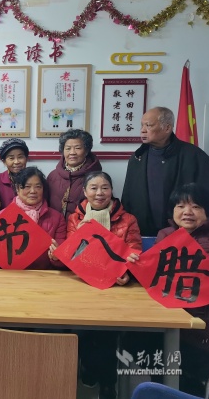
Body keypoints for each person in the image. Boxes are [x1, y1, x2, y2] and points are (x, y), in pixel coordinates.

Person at [60, 171, 141, 399]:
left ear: (112, 191)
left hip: (115, 287)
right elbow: (71, 253)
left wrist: (127, 273)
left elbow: (135, 251)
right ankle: (88, 368)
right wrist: (82, 232)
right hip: (83, 285)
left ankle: (108, 382)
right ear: (85, 192)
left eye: (105, 187)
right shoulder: (75, 218)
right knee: (81, 331)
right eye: (93, 188)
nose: (99, 193)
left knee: (107, 334)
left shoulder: (128, 219)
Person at [139, 184, 209, 396]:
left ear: (207, 211)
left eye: (195, 206)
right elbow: (155, 274)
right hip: (165, 313)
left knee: (191, 377)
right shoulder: (165, 234)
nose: (187, 212)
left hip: (200, 319)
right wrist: (137, 264)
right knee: (158, 366)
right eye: (180, 206)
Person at [121, 106, 209, 236]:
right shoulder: (137, 158)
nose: (142, 130)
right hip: (142, 235)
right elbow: (127, 199)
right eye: (142, 125)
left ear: (167, 128)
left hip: (186, 235)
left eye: (148, 125)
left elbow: (207, 199)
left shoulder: (195, 157)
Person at [0, 167, 66, 270]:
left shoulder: (57, 218)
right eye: (27, 186)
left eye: (38, 187)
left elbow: (62, 258)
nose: (33, 191)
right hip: (10, 274)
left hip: (43, 274)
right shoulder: (2, 217)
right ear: (17, 188)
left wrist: (57, 258)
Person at [47, 129, 102, 219]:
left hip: (83, 225)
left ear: (86, 151)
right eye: (68, 148)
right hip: (55, 226)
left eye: (77, 148)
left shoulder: (97, 177)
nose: (72, 152)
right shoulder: (53, 176)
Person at [0, 138, 29, 208]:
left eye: (20, 157)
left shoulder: (35, 179)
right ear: (4, 161)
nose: (16, 162)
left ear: (26, 159)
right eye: (11, 158)